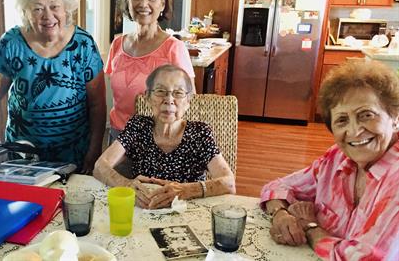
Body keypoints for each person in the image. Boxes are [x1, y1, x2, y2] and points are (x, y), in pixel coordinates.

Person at [260, 60, 399, 260]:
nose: (354, 131)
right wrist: (281, 214)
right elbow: (276, 187)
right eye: (342, 120)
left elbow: (364, 258)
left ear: (395, 118)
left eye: (366, 115)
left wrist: (310, 226)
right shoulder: (337, 158)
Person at [0, 0, 105, 174]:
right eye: (38, 9)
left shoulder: (83, 44)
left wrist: (94, 150)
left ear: (66, 8)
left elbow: (97, 105)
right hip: (23, 154)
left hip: (73, 152)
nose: (48, 16)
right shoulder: (12, 42)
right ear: (26, 12)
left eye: (55, 6)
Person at [94, 64, 235, 209]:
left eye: (178, 93)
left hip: (187, 213)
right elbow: (100, 166)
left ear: (188, 101)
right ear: (148, 97)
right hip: (144, 210)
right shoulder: (138, 126)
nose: (169, 99)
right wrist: (126, 185)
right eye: (160, 91)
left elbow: (228, 183)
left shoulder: (199, 133)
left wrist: (185, 190)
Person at [105, 0, 195, 142]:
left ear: (162, 4)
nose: (143, 4)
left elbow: (188, 100)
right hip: (117, 134)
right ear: (127, 2)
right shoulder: (117, 45)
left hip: (155, 140)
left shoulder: (173, 48)